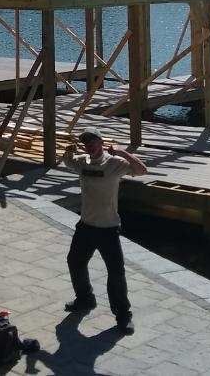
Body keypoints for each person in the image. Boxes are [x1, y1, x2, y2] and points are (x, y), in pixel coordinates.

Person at [62, 128, 147, 334]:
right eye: (86, 143)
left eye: (93, 142)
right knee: (75, 262)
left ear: (101, 142)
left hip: (108, 228)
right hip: (85, 226)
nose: (89, 146)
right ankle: (85, 299)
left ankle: (123, 315)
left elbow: (142, 170)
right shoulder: (82, 162)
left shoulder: (115, 163)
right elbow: (68, 162)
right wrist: (68, 151)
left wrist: (122, 152)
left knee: (116, 272)